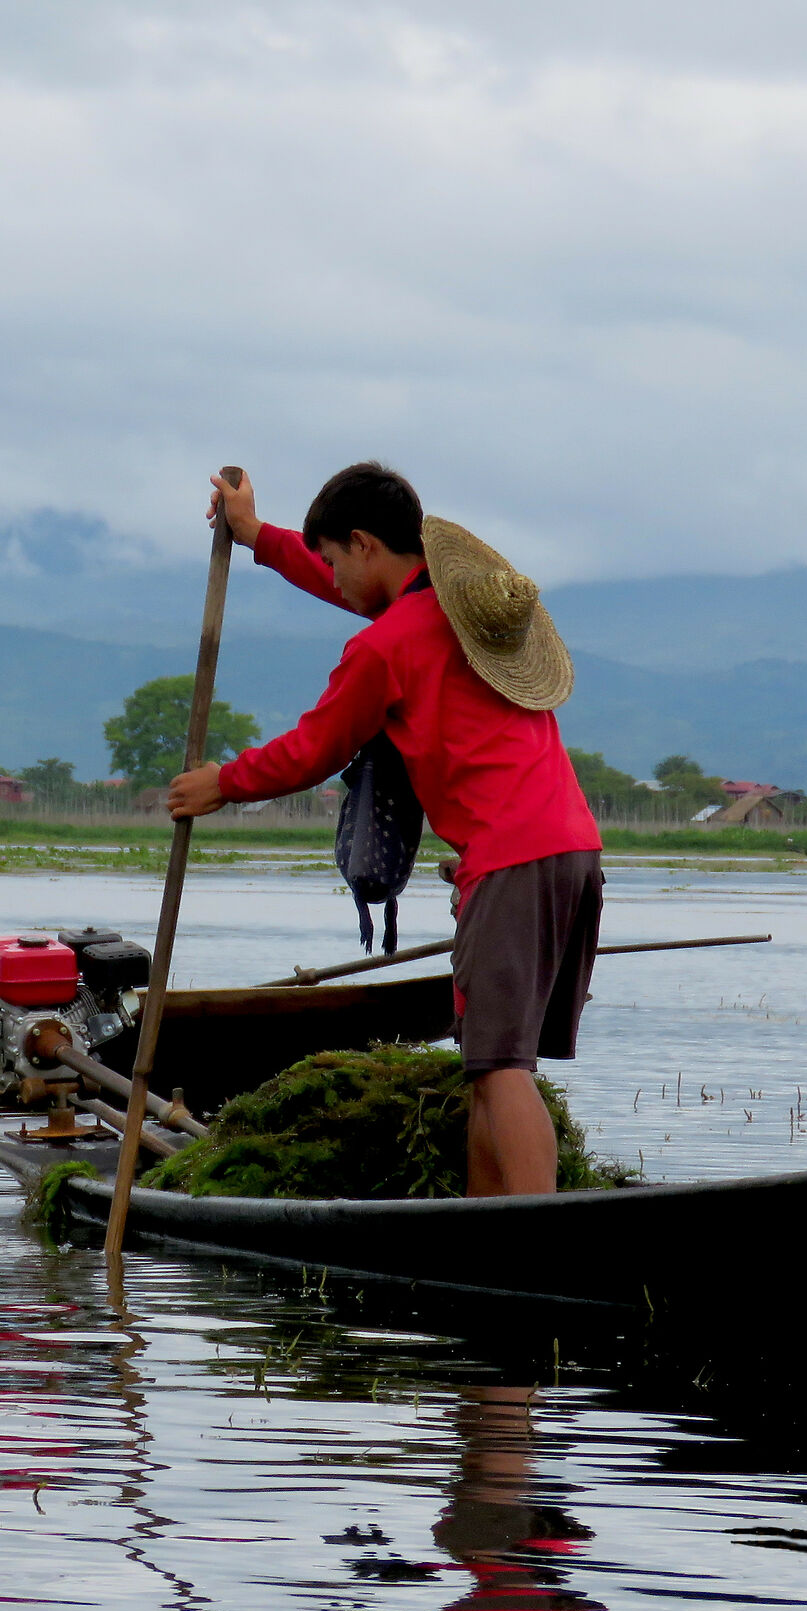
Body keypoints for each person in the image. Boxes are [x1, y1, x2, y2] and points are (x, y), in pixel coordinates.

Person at [167, 464, 602, 1195]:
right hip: (570, 850)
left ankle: (535, 1234)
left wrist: (224, 783)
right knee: (486, 1063)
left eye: (336, 559)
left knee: (500, 1066)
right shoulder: (456, 611)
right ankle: (481, 1223)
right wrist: (257, 538)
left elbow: (317, 748)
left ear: (365, 545)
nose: (331, 578)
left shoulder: (383, 648)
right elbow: (346, 585)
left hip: (512, 860)